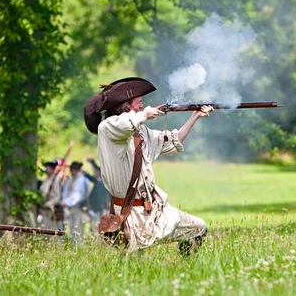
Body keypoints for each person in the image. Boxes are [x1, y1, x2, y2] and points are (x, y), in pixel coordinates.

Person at [83, 77, 213, 254]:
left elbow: (172, 140)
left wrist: (194, 116)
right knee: (132, 266)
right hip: (130, 212)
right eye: (139, 102)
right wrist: (144, 115)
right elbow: (125, 124)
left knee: (198, 228)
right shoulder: (108, 127)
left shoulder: (141, 131)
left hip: (153, 208)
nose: (142, 105)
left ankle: (185, 270)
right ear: (128, 105)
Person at [61, 161, 90, 244]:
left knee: (78, 229)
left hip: (78, 207)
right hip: (70, 207)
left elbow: (78, 196)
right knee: (70, 228)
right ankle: (72, 245)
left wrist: (66, 202)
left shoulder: (81, 180)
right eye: (72, 169)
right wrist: (65, 201)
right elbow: (66, 192)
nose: (73, 171)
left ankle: (78, 246)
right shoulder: (70, 179)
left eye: (75, 170)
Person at [84, 158, 110, 233]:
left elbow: (95, 175)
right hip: (97, 209)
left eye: (95, 172)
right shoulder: (99, 181)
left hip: (100, 208)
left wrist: (92, 163)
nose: (94, 173)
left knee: (100, 227)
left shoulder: (102, 182)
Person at [39, 160, 64, 230]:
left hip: (53, 210)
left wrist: (48, 204)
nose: (46, 169)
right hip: (44, 210)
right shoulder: (45, 180)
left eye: (48, 167)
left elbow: (57, 196)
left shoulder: (56, 180)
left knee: (53, 230)